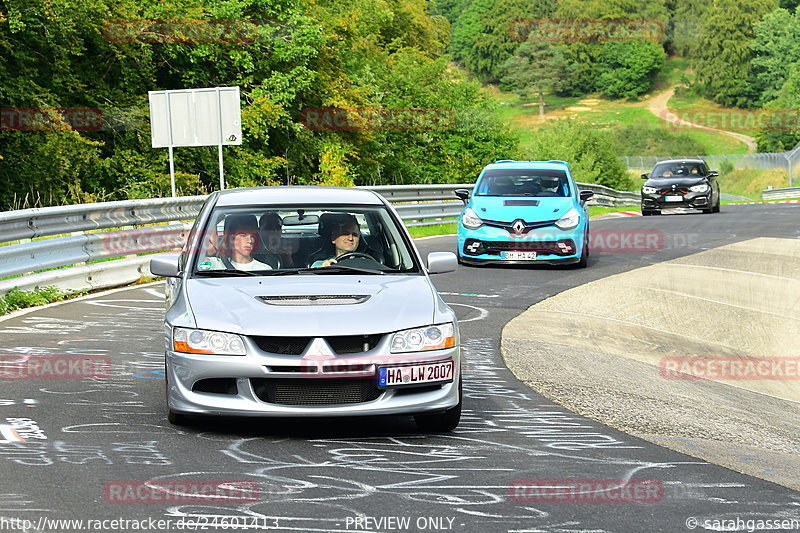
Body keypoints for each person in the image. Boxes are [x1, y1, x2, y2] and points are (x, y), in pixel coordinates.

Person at [200, 214, 272, 271]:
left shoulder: (264, 269)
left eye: (252, 236)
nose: (249, 241)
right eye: (243, 235)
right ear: (231, 239)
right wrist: (213, 222)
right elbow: (195, 265)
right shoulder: (216, 264)